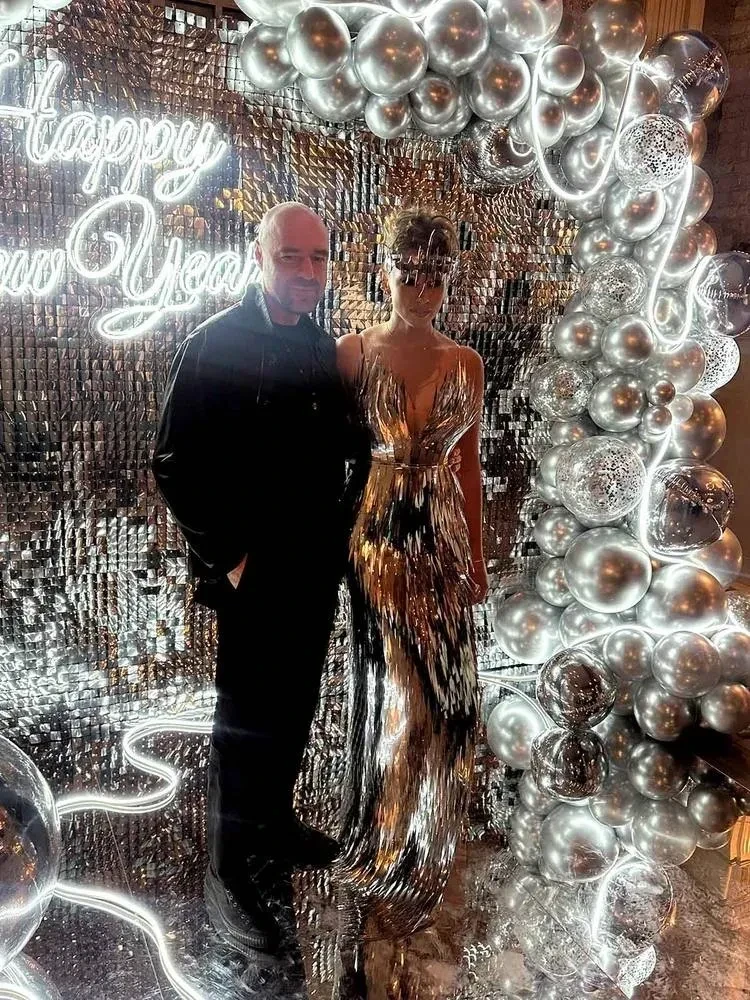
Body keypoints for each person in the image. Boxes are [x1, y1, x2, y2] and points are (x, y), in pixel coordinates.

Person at [152, 202, 357, 957]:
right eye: (291, 256)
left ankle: (274, 823)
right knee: (244, 721)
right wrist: (230, 557)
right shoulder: (215, 343)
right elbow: (173, 462)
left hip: (312, 568)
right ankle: (230, 868)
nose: (307, 272)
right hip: (252, 572)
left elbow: (344, 450)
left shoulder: (322, 349)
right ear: (260, 258)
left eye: (318, 257)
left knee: (294, 705)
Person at [334, 208, 488, 992]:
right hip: (381, 541)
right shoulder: (352, 354)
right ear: (384, 271)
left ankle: (430, 836)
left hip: (444, 542)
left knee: (452, 703)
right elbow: (324, 457)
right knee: (404, 699)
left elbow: (467, 470)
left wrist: (478, 560)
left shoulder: (467, 362)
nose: (423, 289)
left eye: (436, 276)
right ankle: (386, 841)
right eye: (410, 272)